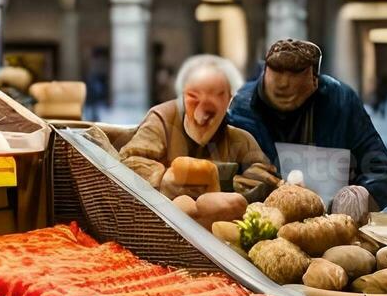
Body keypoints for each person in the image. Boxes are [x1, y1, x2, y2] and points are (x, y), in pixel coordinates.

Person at [227, 38, 387, 211]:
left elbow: (383, 170)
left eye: (295, 74)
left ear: (314, 79)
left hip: (330, 223)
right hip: (258, 222)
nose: (284, 83)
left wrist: (361, 196)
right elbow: (215, 170)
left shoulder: (340, 101)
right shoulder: (242, 106)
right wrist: (234, 184)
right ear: (265, 70)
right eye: (276, 71)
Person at [119, 55, 280, 201]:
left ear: (228, 101)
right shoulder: (162, 121)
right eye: (193, 97)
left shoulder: (239, 138)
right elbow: (128, 162)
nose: (201, 112)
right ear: (182, 95)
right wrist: (162, 179)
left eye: (216, 97)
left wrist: (226, 185)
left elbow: (264, 176)